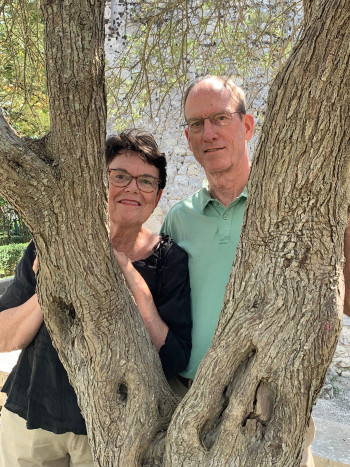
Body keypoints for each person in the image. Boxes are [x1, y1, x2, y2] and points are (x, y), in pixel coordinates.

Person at [161, 75, 350, 466]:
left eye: (220, 118)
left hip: (275, 405)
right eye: (196, 124)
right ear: (187, 137)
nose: (208, 133)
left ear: (246, 126)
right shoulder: (179, 220)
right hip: (192, 401)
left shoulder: (298, 206)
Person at [0, 129, 192, 466]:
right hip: (30, 419)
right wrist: (52, 285)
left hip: (113, 434)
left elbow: (173, 360)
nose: (133, 187)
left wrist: (132, 281)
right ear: (99, 182)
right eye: (120, 176)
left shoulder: (169, 260)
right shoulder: (51, 244)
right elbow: (3, 336)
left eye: (146, 181)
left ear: (158, 196)